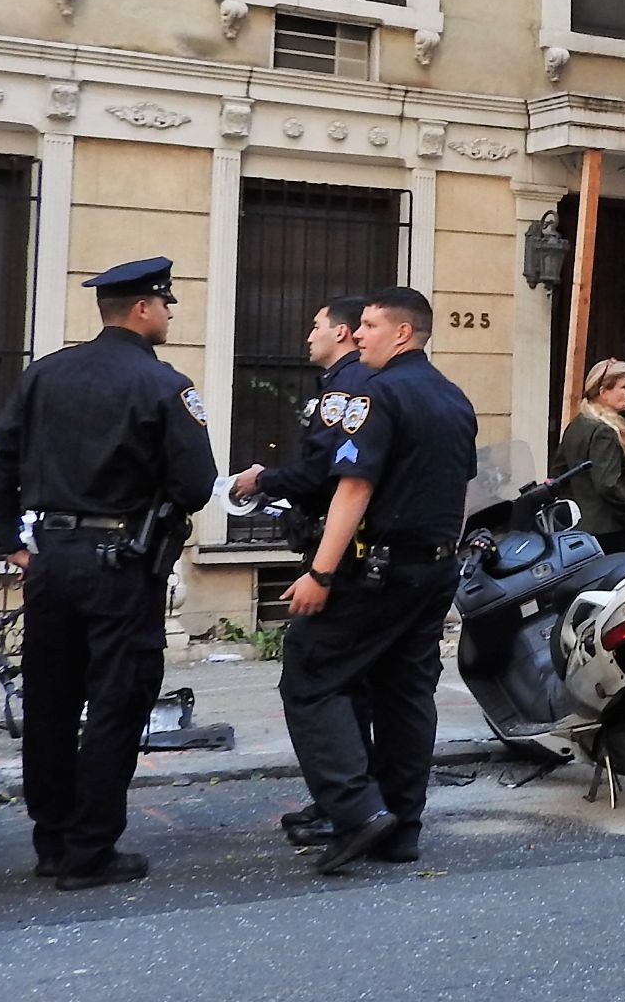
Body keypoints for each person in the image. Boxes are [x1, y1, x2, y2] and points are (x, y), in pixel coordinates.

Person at [0, 256, 218, 890]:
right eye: (165, 304)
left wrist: (12, 544)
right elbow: (195, 484)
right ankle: (89, 852)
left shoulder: (44, 375)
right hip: (119, 567)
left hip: (50, 561)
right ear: (142, 309)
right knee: (117, 701)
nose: (167, 314)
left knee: (50, 704)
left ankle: (52, 842)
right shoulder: (164, 385)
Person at [278, 286, 477, 874]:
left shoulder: (378, 394)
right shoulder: (454, 398)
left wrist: (320, 571)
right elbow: (461, 490)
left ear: (402, 334)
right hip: (434, 568)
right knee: (405, 695)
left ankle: (357, 812)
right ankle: (401, 829)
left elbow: (354, 487)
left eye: (368, 325)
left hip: (376, 571)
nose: (358, 334)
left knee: (311, 676)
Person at [225, 296, 374, 847]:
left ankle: (346, 806)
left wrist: (264, 479)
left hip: (337, 557)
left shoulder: (347, 385)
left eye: (315, 326)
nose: (307, 335)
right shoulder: (347, 381)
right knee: (347, 684)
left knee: (319, 679)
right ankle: (341, 800)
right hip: (352, 555)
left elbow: (323, 472)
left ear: (342, 331)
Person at [554, 358, 625, 554]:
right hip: (610, 532)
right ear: (603, 391)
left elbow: (558, 475)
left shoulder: (576, 425)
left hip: (579, 530)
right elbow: (607, 485)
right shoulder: (604, 432)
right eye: (624, 387)